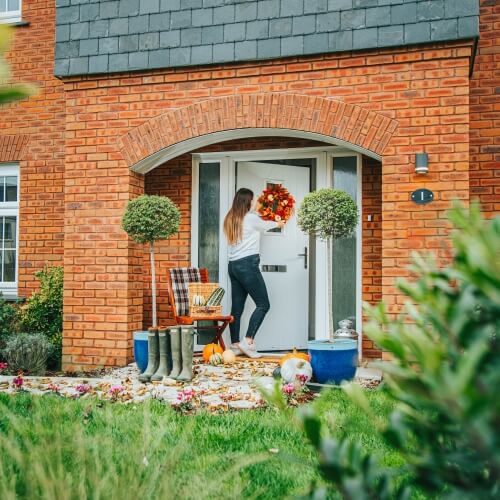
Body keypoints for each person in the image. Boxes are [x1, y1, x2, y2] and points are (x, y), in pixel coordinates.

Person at [223, 188, 285, 358]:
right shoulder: (250, 218)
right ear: (247, 201)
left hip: (233, 266)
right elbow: (268, 225)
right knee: (263, 304)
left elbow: (256, 219)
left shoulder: (231, 217)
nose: (254, 201)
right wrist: (279, 223)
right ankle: (248, 341)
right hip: (248, 265)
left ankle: (235, 344)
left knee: (237, 307)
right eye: (253, 199)